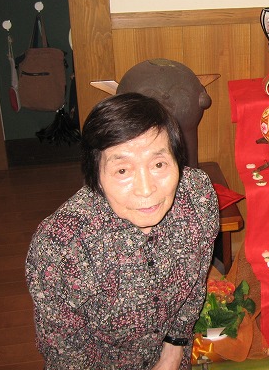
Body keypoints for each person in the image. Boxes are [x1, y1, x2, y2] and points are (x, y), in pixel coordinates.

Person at [26, 93, 219, 369]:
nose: (146, 189)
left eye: (159, 164)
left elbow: (195, 284)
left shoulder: (197, 197)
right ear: (96, 177)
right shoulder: (62, 246)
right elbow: (66, 354)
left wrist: (174, 348)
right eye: (122, 171)